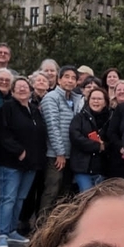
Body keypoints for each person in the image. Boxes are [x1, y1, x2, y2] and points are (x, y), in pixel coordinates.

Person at [0, 77, 47, 247]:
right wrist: (18, 151)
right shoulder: (7, 108)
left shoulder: (34, 109)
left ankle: (12, 231)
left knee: (20, 198)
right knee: (8, 198)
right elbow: (3, 134)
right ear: (13, 90)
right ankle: (2, 233)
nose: (23, 89)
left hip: (32, 163)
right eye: (19, 87)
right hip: (12, 162)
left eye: (26, 86)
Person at [39, 65, 84, 215]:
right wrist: (59, 152)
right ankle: (42, 226)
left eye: (73, 78)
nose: (70, 81)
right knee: (51, 190)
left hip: (72, 154)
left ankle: (58, 226)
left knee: (64, 193)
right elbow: (53, 126)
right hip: (56, 155)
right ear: (59, 80)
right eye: (67, 77)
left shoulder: (77, 99)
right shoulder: (51, 98)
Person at [68, 86, 111, 193]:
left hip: (102, 168)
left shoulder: (111, 118)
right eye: (93, 98)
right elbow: (75, 137)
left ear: (105, 102)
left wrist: (105, 145)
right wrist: (97, 146)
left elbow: (113, 140)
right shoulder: (79, 118)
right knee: (87, 195)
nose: (96, 101)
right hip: (82, 168)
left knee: (100, 200)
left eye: (99, 99)